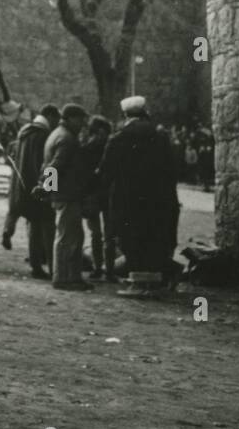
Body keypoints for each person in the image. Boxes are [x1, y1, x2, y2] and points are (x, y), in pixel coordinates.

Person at [99, 96, 180, 285]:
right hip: (158, 201)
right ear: (145, 113)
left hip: (126, 201)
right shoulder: (160, 137)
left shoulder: (118, 138)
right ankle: (154, 276)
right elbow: (172, 170)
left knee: (130, 239)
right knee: (154, 236)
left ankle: (137, 276)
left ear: (125, 115)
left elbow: (105, 172)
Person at [2, 104, 59, 279]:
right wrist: (50, 189)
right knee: (48, 228)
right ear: (50, 116)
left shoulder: (26, 132)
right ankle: (53, 268)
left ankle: (36, 266)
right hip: (39, 189)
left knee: (34, 227)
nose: (57, 122)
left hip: (23, 186)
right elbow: (47, 164)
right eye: (56, 118)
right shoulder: (44, 135)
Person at [42, 103, 91, 291]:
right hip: (67, 195)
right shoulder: (67, 138)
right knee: (67, 237)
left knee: (71, 236)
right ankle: (64, 277)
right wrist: (49, 190)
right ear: (70, 118)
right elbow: (54, 167)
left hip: (63, 194)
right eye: (80, 119)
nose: (83, 123)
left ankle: (69, 276)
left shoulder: (58, 134)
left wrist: (49, 191)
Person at [81, 114, 114, 280]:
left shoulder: (87, 146)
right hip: (107, 194)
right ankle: (109, 270)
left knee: (95, 233)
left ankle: (97, 268)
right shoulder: (111, 145)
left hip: (92, 194)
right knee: (109, 234)